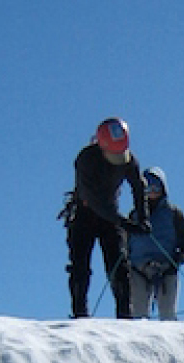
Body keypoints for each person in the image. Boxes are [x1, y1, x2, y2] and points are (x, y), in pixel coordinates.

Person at [62, 118, 146, 319]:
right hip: (85, 214)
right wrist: (124, 223)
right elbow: (93, 199)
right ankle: (80, 314)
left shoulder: (128, 160)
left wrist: (143, 217)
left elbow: (138, 186)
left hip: (111, 218)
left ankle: (125, 315)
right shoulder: (85, 159)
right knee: (80, 266)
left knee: (119, 266)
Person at [126, 167, 184, 321]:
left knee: (167, 315)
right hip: (138, 268)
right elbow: (124, 240)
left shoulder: (173, 214)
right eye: (147, 187)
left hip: (166, 268)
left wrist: (179, 258)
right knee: (137, 314)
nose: (151, 192)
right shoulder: (134, 215)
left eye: (155, 187)